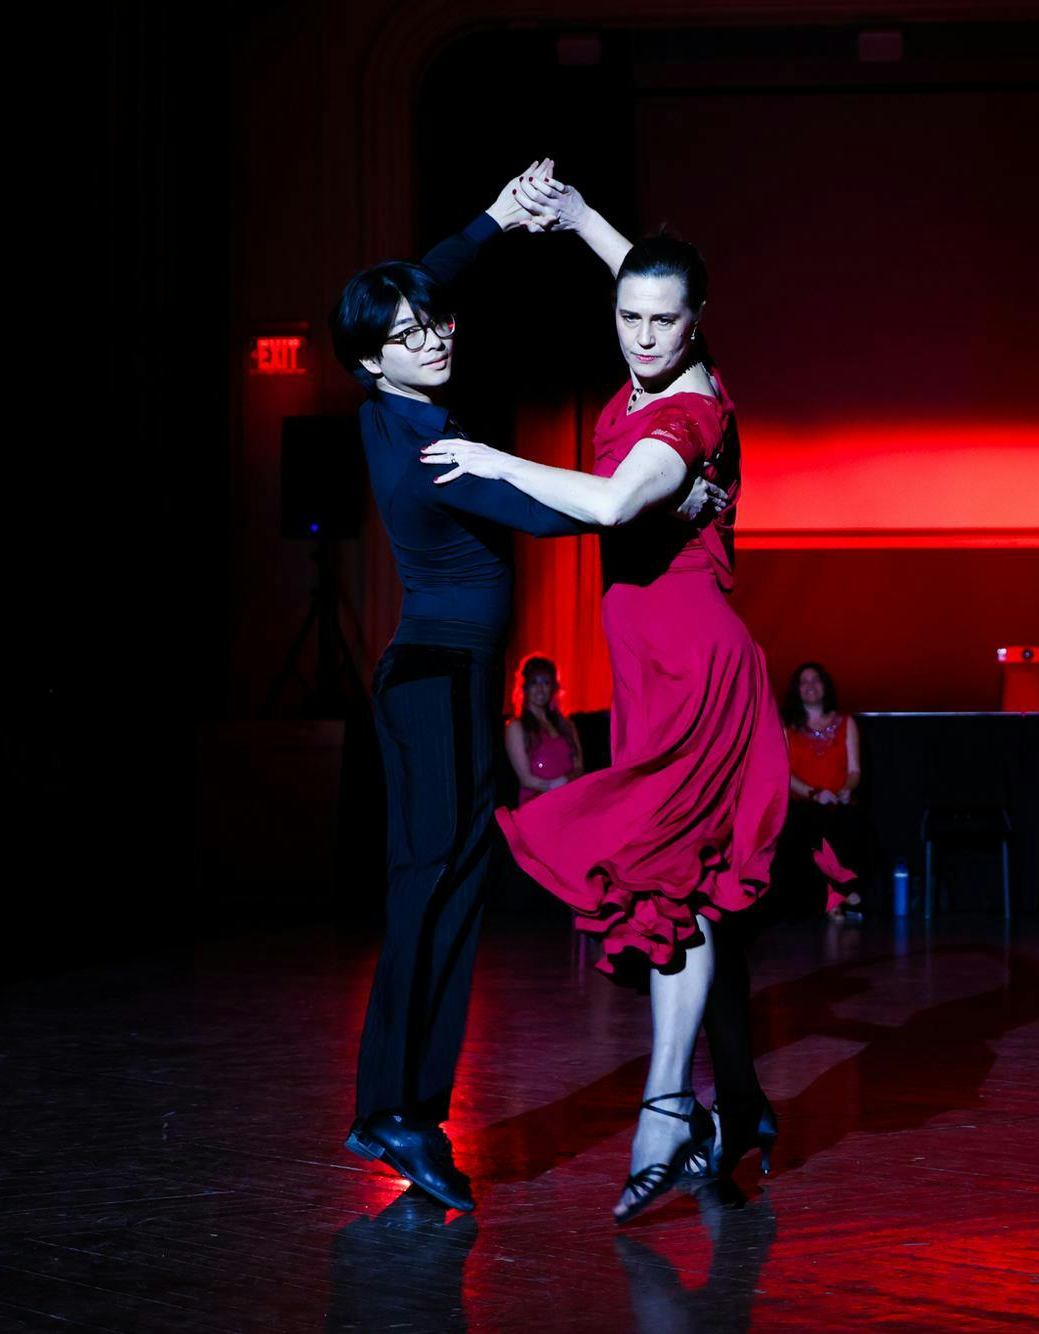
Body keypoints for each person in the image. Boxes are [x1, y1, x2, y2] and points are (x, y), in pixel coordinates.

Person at [328, 162, 726, 1215]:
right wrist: (674, 499)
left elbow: (422, 285)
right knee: (438, 887)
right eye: (413, 335)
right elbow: (569, 513)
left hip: (433, 677)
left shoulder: (388, 405)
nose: (437, 335)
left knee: (443, 884)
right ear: (375, 361)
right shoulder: (429, 446)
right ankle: (398, 1106)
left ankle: (400, 1102)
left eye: (436, 321)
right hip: (441, 681)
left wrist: (491, 222)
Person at [422, 175, 787, 1221]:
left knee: (676, 882)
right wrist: (580, 217)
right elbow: (644, 272)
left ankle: (668, 1110)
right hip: (650, 671)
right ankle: (738, 1104)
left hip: (695, 670)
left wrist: (491, 454)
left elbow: (613, 501)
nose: (640, 336)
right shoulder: (659, 352)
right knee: (696, 888)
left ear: (697, 325)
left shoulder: (688, 412)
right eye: (626, 316)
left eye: (663, 321)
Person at [783, 662, 867, 922]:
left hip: (839, 801)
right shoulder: (787, 727)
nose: (810, 686)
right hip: (804, 801)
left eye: (815, 680)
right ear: (797, 690)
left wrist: (844, 790)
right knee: (815, 826)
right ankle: (839, 895)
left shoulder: (846, 723)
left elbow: (854, 770)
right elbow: (783, 773)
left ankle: (839, 895)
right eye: (804, 681)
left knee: (848, 825)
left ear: (825, 685)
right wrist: (814, 793)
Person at [505, 653, 583, 807]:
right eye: (534, 682)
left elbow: (579, 768)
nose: (540, 689)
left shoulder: (567, 726)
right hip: (537, 805)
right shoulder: (516, 726)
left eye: (546, 683)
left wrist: (565, 782)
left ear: (554, 687)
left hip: (570, 801)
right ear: (525, 687)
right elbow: (525, 778)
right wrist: (553, 787)